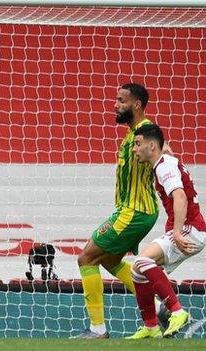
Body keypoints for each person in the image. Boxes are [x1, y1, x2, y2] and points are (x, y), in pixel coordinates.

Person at [73, 83, 163, 338]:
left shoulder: (146, 132)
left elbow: (165, 151)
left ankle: (97, 329)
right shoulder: (134, 133)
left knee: (86, 258)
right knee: (110, 260)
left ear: (136, 104)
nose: (116, 104)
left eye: (122, 100)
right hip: (130, 210)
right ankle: (159, 307)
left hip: (134, 212)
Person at [125, 123, 204, 339]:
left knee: (141, 262)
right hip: (190, 228)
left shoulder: (163, 166)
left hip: (189, 229)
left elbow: (180, 196)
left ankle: (177, 311)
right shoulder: (166, 161)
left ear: (152, 146)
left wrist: (177, 232)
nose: (134, 149)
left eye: (138, 144)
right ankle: (151, 326)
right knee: (137, 272)